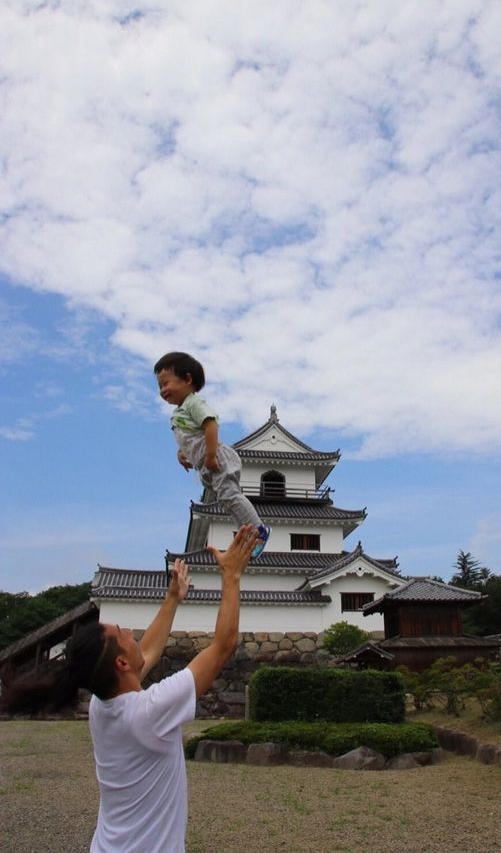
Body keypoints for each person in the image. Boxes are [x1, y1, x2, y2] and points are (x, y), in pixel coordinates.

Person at [0, 525, 259, 853]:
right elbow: (223, 646)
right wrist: (232, 575)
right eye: (122, 633)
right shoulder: (151, 712)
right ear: (121, 663)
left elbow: (146, 653)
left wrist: (172, 599)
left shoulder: (102, 705)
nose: (130, 633)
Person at [154, 351, 270, 559]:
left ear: (187, 379)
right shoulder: (179, 412)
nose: (162, 390)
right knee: (226, 500)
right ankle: (248, 534)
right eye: (160, 386)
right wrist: (182, 453)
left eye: (166, 383)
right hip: (205, 465)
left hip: (217, 459)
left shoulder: (193, 403)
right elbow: (188, 437)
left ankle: (258, 530)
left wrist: (210, 455)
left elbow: (210, 425)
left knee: (230, 495)